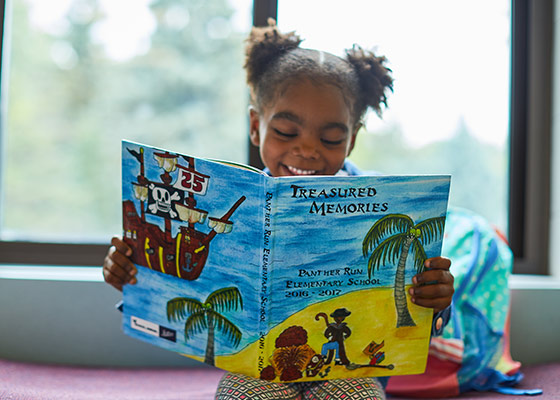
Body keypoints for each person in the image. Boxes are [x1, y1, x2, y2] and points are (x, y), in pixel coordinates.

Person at [103, 20, 454, 400]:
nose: (307, 150)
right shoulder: (234, 205)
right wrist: (130, 271)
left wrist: (436, 299)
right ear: (256, 127)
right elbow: (182, 282)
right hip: (260, 375)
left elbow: (419, 314)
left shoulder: (386, 209)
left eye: (331, 138)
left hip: (351, 373)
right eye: (286, 132)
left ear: (351, 140)